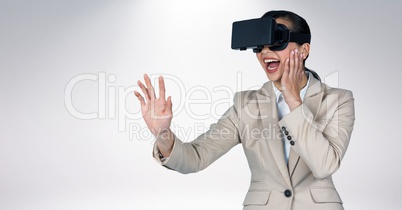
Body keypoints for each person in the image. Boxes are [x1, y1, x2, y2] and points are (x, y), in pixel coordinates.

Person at [134, 10, 355, 210]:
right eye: (259, 45)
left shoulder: (338, 100)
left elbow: (325, 165)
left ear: (304, 50)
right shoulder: (246, 105)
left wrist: (293, 102)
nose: (265, 52)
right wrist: (162, 135)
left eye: (276, 41)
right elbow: (197, 157)